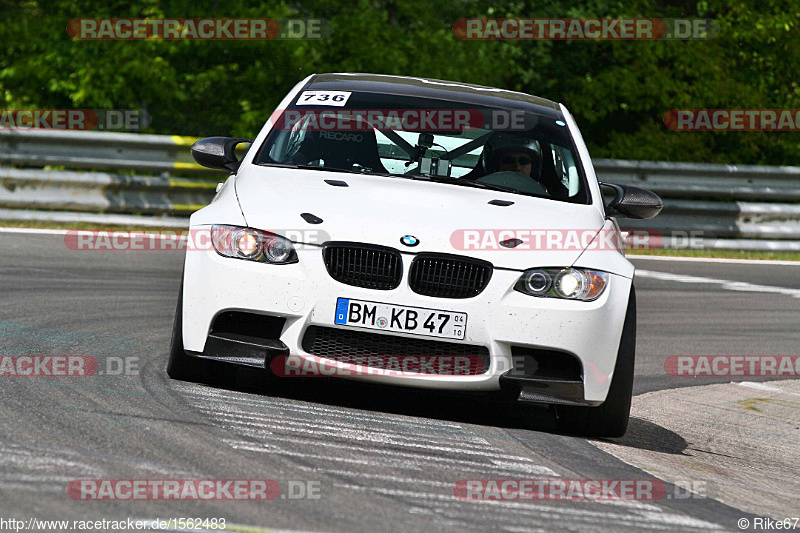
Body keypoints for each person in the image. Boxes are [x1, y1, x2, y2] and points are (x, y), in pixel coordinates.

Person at [480, 132, 568, 198]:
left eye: (524, 161)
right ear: (494, 164)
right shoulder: (475, 193)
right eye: (508, 160)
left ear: (534, 166)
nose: (517, 167)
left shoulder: (550, 201)